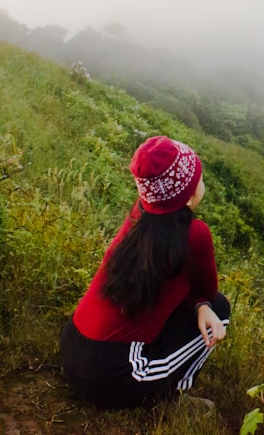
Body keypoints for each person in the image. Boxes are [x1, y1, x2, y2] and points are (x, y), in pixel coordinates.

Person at [60, 136, 230, 409]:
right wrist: (202, 303)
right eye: (198, 179)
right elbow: (207, 290)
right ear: (188, 197)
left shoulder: (139, 217)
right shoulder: (195, 234)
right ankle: (173, 399)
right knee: (219, 308)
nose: (202, 183)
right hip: (112, 375)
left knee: (202, 306)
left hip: (72, 346)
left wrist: (197, 303)